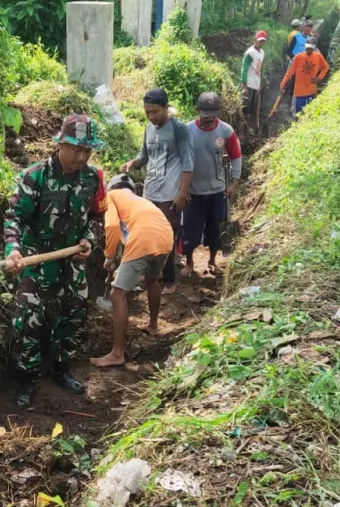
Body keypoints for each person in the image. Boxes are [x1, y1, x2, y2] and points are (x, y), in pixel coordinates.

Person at [4, 114, 107, 409]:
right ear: (61, 144)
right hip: (36, 260)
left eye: (88, 150)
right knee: (28, 320)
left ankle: (60, 368)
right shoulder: (34, 177)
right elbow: (15, 219)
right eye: (76, 149)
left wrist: (89, 240)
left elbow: (97, 219)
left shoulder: (92, 178)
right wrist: (13, 250)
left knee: (74, 314)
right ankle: (27, 375)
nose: (82, 156)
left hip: (71, 260)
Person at [91, 174, 174, 368]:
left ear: (111, 188)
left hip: (143, 238)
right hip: (165, 236)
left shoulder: (112, 196)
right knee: (152, 281)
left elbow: (111, 226)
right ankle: (153, 326)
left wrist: (109, 257)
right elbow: (126, 234)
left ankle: (117, 354)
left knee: (117, 294)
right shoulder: (140, 200)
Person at [120, 88, 193, 295]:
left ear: (166, 108)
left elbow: (188, 162)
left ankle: (169, 280)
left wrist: (182, 192)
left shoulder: (179, 129)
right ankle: (151, 274)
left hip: (170, 195)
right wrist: (132, 163)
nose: (151, 116)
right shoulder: (149, 129)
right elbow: (144, 156)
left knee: (166, 236)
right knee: (146, 234)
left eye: (155, 112)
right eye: (147, 112)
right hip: (150, 192)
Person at [182, 92, 242, 278]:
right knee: (190, 229)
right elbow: (178, 160)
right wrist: (181, 189)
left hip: (217, 190)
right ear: (197, 110)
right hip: (193, 191)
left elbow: (236, 156)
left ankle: (212, 261)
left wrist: (234, 182)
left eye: (213, 112)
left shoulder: (226, 131)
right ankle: (190, 262)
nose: (209, 116)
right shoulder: (187, 131)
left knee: (215, 228)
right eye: (205, 112)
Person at [280, 36, 330, 116]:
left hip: (311, 92)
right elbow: (290, 73)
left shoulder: (318, 56)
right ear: (305, 46)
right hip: (299, 93)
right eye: (307, 48)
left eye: (310, 48)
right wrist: (283, 84)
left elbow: (326, 67)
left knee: (308, 115)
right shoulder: (298, 57)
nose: (308, 50)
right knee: (296, 115)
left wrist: (319, 78)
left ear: (314, 48)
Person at [241, 31, 268, 120]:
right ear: (255, 40)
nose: (261, 43)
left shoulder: (262, 52)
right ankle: (243, 125)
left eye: (263, 41)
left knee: (253, 107)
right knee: (245, 106)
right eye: (259, 41)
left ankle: (248, 125)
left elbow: (260, 68)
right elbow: (244, 69)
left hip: (256, 83)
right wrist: (244, 85)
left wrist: (260, 82)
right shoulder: (249, 53)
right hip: (249, 83)